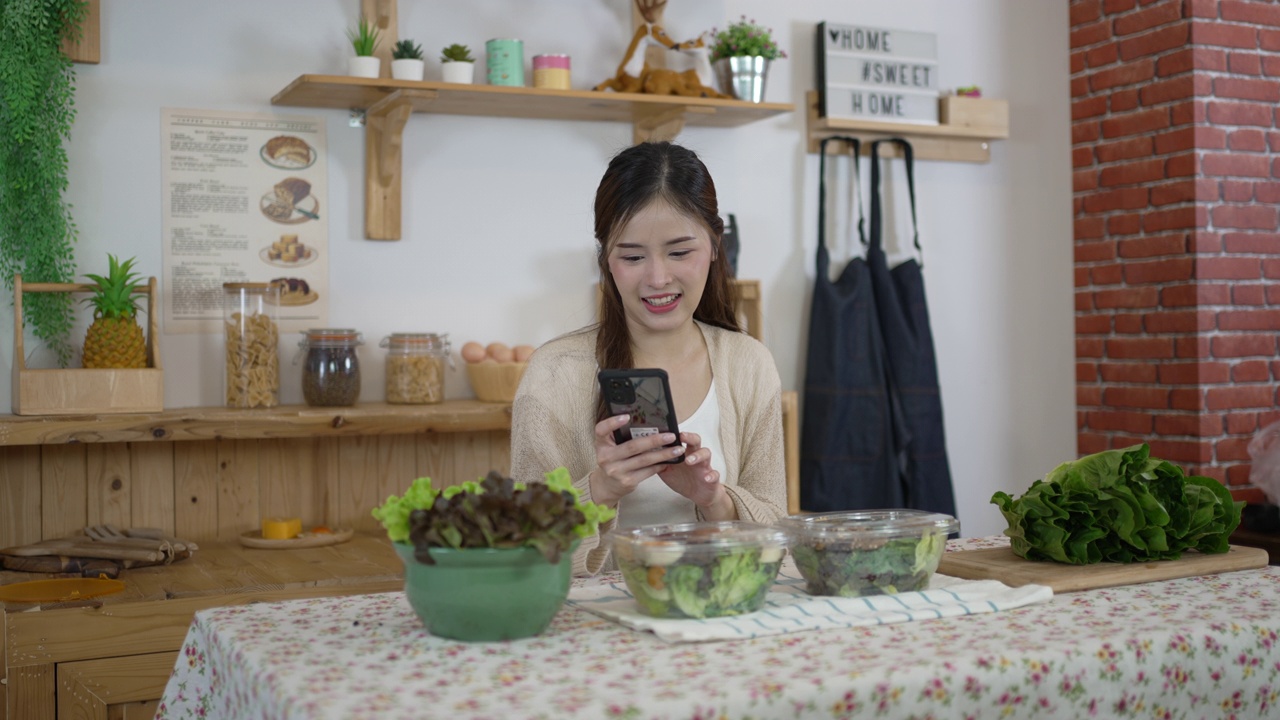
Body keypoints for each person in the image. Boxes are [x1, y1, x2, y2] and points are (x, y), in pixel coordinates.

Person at [510, 141, 786, 576]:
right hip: (592, 628)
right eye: (633, 256)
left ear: (715, 246)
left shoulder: (748, 364)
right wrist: (600, 490)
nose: (658, 279)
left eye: (680, 252)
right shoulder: (555, 373)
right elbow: (518, 546)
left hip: (715, 610)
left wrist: (713, 499)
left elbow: (777, 539)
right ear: (605, 259)